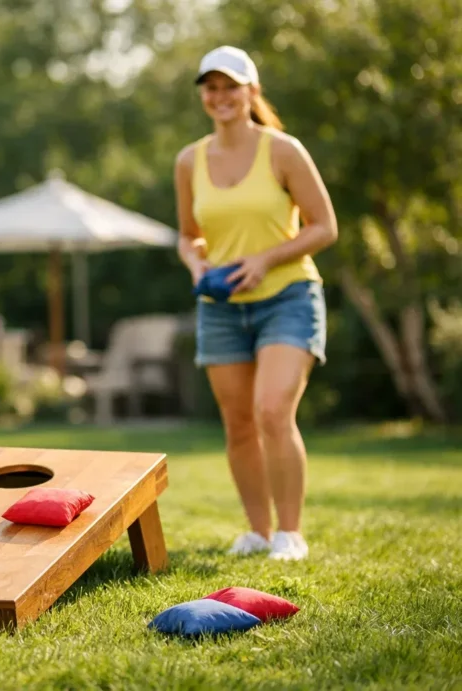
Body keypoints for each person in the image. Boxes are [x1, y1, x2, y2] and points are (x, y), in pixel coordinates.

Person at [173, 46, 338, 561]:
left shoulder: (283, 150)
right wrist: (196, 265)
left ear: (252, 91)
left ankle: (290, 534)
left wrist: (266, 260)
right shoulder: (189, 160)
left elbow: (324, 227)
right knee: (239, 422)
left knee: (272, 411)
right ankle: (258, 532)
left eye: (231, 86)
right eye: (212, 87)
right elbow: (187, 235)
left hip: (288, 297)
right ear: (204, 95)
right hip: (221, 306)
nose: (221, 96)